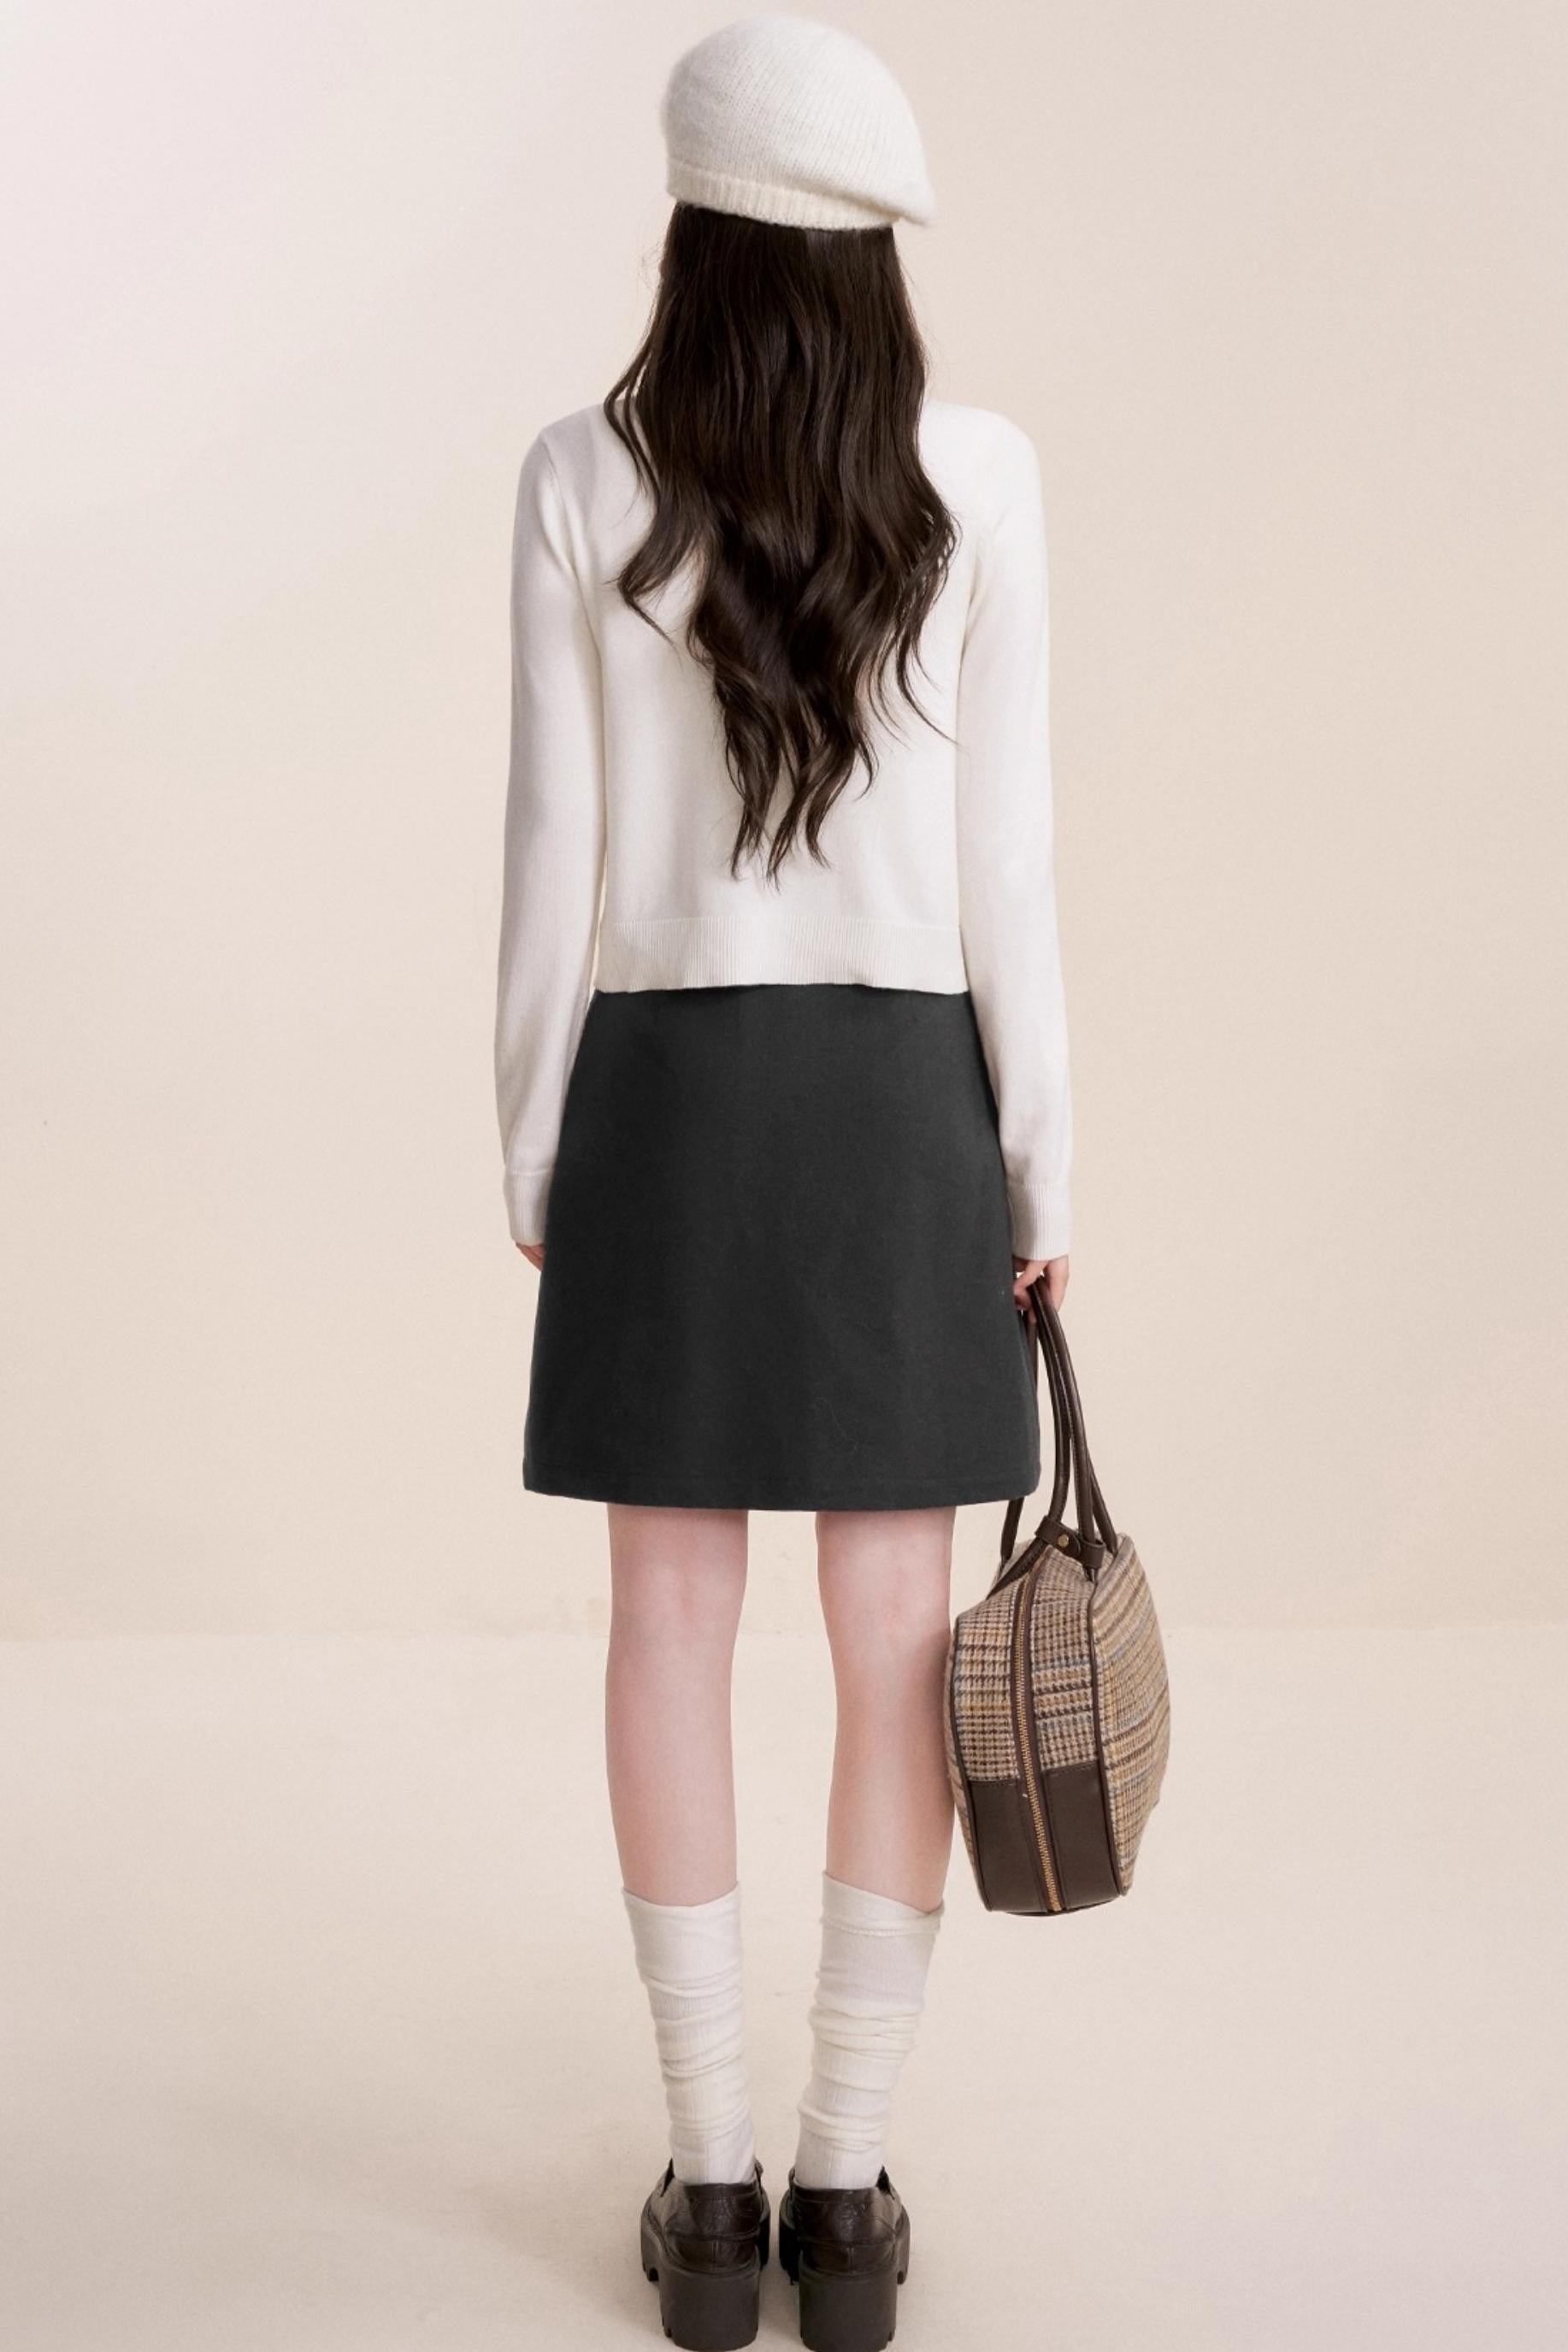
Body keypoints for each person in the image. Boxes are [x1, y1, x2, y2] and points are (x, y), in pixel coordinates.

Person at [494, 18, 1071, 2349]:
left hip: (661, 1090)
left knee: (665, 1620)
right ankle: (845, 2195)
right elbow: (1012, 870)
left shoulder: (579, 474)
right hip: (904, 1101)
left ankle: (711, 2190)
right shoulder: (981, 476)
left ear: (693, 232)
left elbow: (552, 850)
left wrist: (533, 1137)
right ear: (872, 251)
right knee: (892, 1632)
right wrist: (1036, 1161)